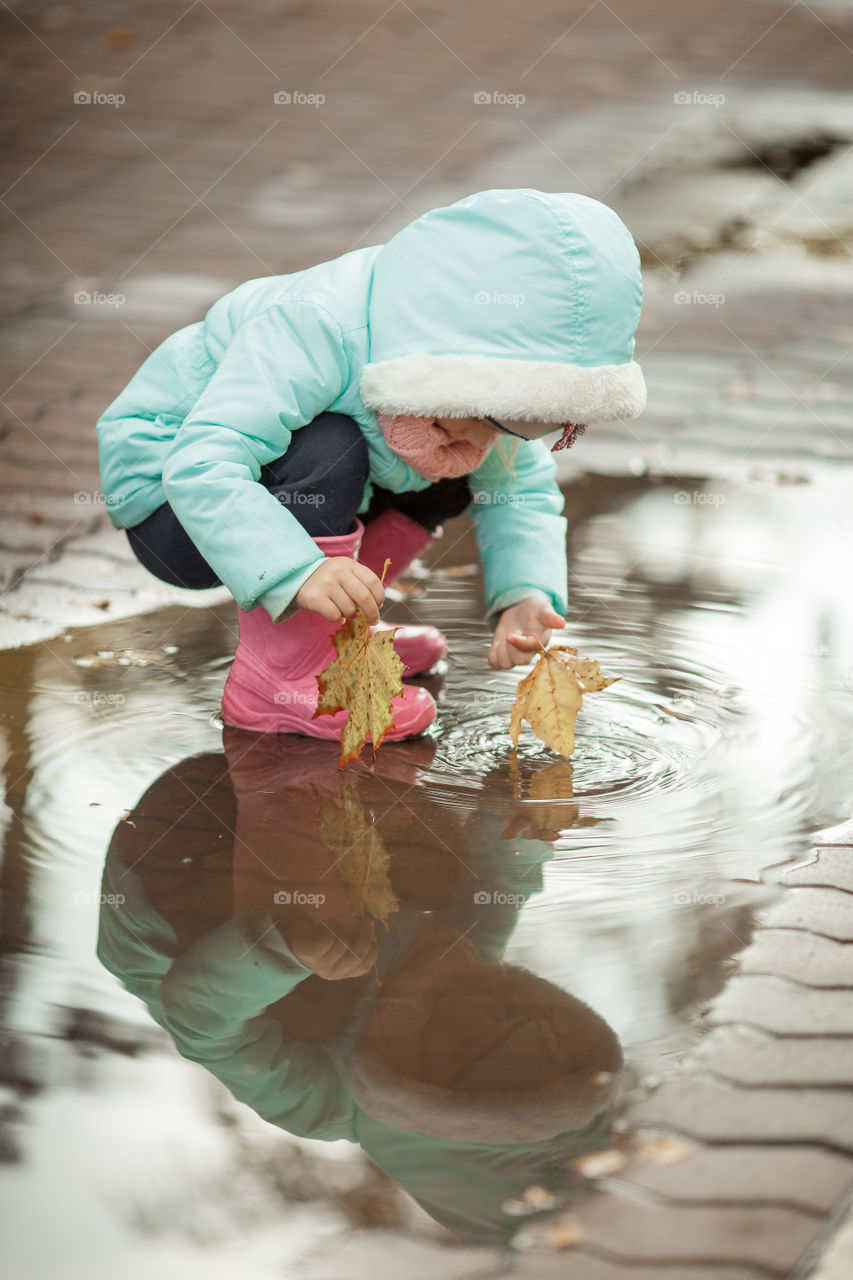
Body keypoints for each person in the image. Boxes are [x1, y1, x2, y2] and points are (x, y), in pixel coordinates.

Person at [96, 188, 646, 740]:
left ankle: (342, 632)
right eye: (513, 417)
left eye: (541, 421)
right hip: (171, 509)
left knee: (458, 470)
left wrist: (526, 594)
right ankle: (278, 675)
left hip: (266, 495)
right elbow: (203, 462)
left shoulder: (476, 394)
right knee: (329, 444)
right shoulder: (319, 326)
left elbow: (520, 489)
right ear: (466, 367)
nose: (509, 435)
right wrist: (298, 570)